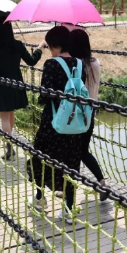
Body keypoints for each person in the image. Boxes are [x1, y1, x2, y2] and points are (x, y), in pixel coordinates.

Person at [27, 26, 86, 224]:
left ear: (54, 45)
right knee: (69, 164)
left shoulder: (51, 64)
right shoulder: (79, 63)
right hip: (74, 123)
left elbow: (45, 94)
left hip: (53, 122)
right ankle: (69, 209)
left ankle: (39, 199)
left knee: (40, 158)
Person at [0, 16, 44, 160]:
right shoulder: (17, 45)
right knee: (10, 114)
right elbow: (31, 61)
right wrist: (39, 49)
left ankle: (9, 147)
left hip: (2, 83)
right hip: (17, 82)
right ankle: (10, 141)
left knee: (5, 117)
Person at [69, 29, 108, 202]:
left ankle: (70, 189)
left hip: (75, 113)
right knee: (81, 150)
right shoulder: (95, 62)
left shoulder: (76, 65)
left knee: (74, 152)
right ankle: (101, 182)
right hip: (90, 112)